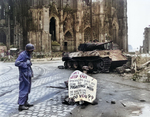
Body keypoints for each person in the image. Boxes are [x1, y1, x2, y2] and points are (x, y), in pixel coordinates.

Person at [15, 43, 34, 111]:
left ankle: (25, 102)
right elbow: (16, 63)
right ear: (28, 50)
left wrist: (31, 72)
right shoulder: (22, 54)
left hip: (27, 74)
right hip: (23, 75)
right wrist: (26, 64)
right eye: (31, 50)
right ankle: (21, 105)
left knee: (28, 89)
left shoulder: (28, 54)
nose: (32, 52)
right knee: (23, 89)